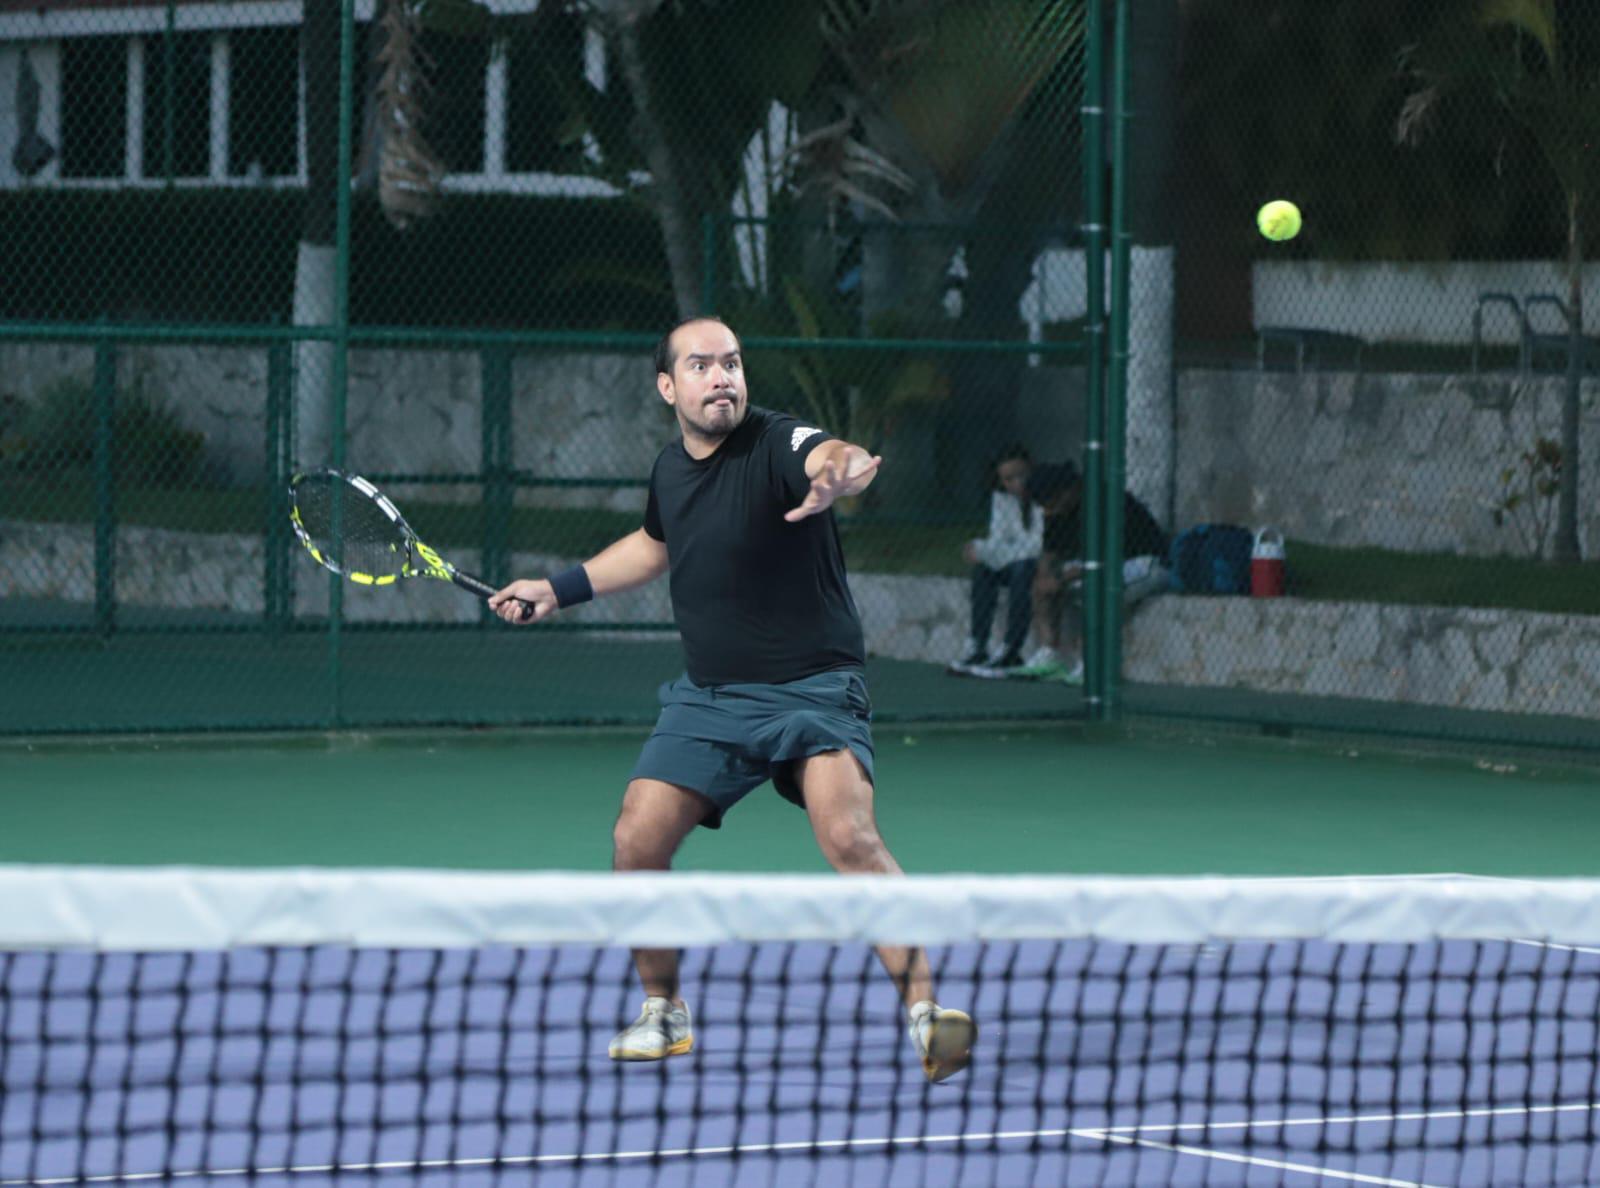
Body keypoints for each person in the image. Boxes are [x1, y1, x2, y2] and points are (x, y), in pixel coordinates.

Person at [489, 316, 975, 1083]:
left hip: (813, 687)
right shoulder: (671, 470)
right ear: (667, 386)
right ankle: (664, 1015)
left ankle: (929, 1016)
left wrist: (840, 471)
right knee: (636, 842)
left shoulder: (778, 443)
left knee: (847, 835)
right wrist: (557, 589)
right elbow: (654, 545)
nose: (723, 378)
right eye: (702, 366)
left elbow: (830, 454)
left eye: (733, 364)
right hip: (710, 697)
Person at [1012, 461, 1170, 683]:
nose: (1049, 510)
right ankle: (1049, 655)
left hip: (1145, 564)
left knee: (1096, 589)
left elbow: (1102, 560)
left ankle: (1094, 666)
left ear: (1068, 490)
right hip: (1101, 567)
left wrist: (1061, 578)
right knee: (1041, 585)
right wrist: (1045, 577)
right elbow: (1050, 553)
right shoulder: (1058, 511)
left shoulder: (1103, 501)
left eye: (1052, 502)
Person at [948, 445, 1042, 675]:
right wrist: (980, 549)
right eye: (1009, 479)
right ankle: (977, 646)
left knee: (1021, 570)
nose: (1016, 483)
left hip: (1039, 563)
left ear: (1031, 470)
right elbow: (998, 539)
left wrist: (995, 553)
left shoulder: (1044, 495)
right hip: (1014, 560)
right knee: (983, 569)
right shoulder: (1001, 499)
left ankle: (1012, 648)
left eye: (1021, 475)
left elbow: (1037, 546)